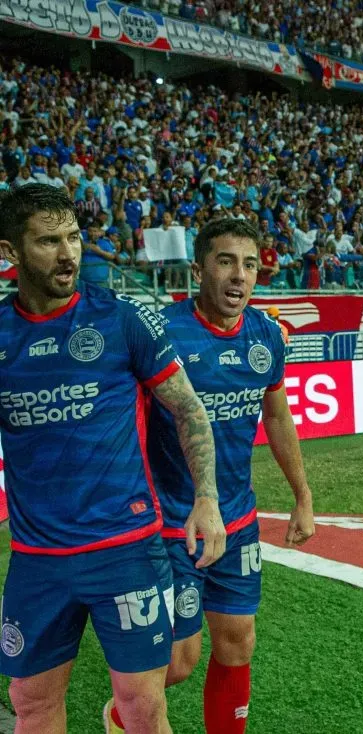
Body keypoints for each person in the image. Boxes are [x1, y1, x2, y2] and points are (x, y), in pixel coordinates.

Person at [0, 184, 226, 733]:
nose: (68, 254)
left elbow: (189, 410)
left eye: (74, 238)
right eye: (49, 241)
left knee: (143, 708)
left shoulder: (122, 319)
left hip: (124, 550)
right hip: (37, 557)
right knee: (31, 704)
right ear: (9, 252)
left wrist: (206, 499)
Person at [104, 218, 316, 733]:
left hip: (236, 519)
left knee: (239, 640)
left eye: (249, 265)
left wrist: (303, 496)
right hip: (171, 524)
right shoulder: (161, 332)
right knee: (179, 661)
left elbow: (278, 416)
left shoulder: (266, 335)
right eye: (226, 262)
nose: (239, 276)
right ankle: (121, 713)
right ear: (199, 269)